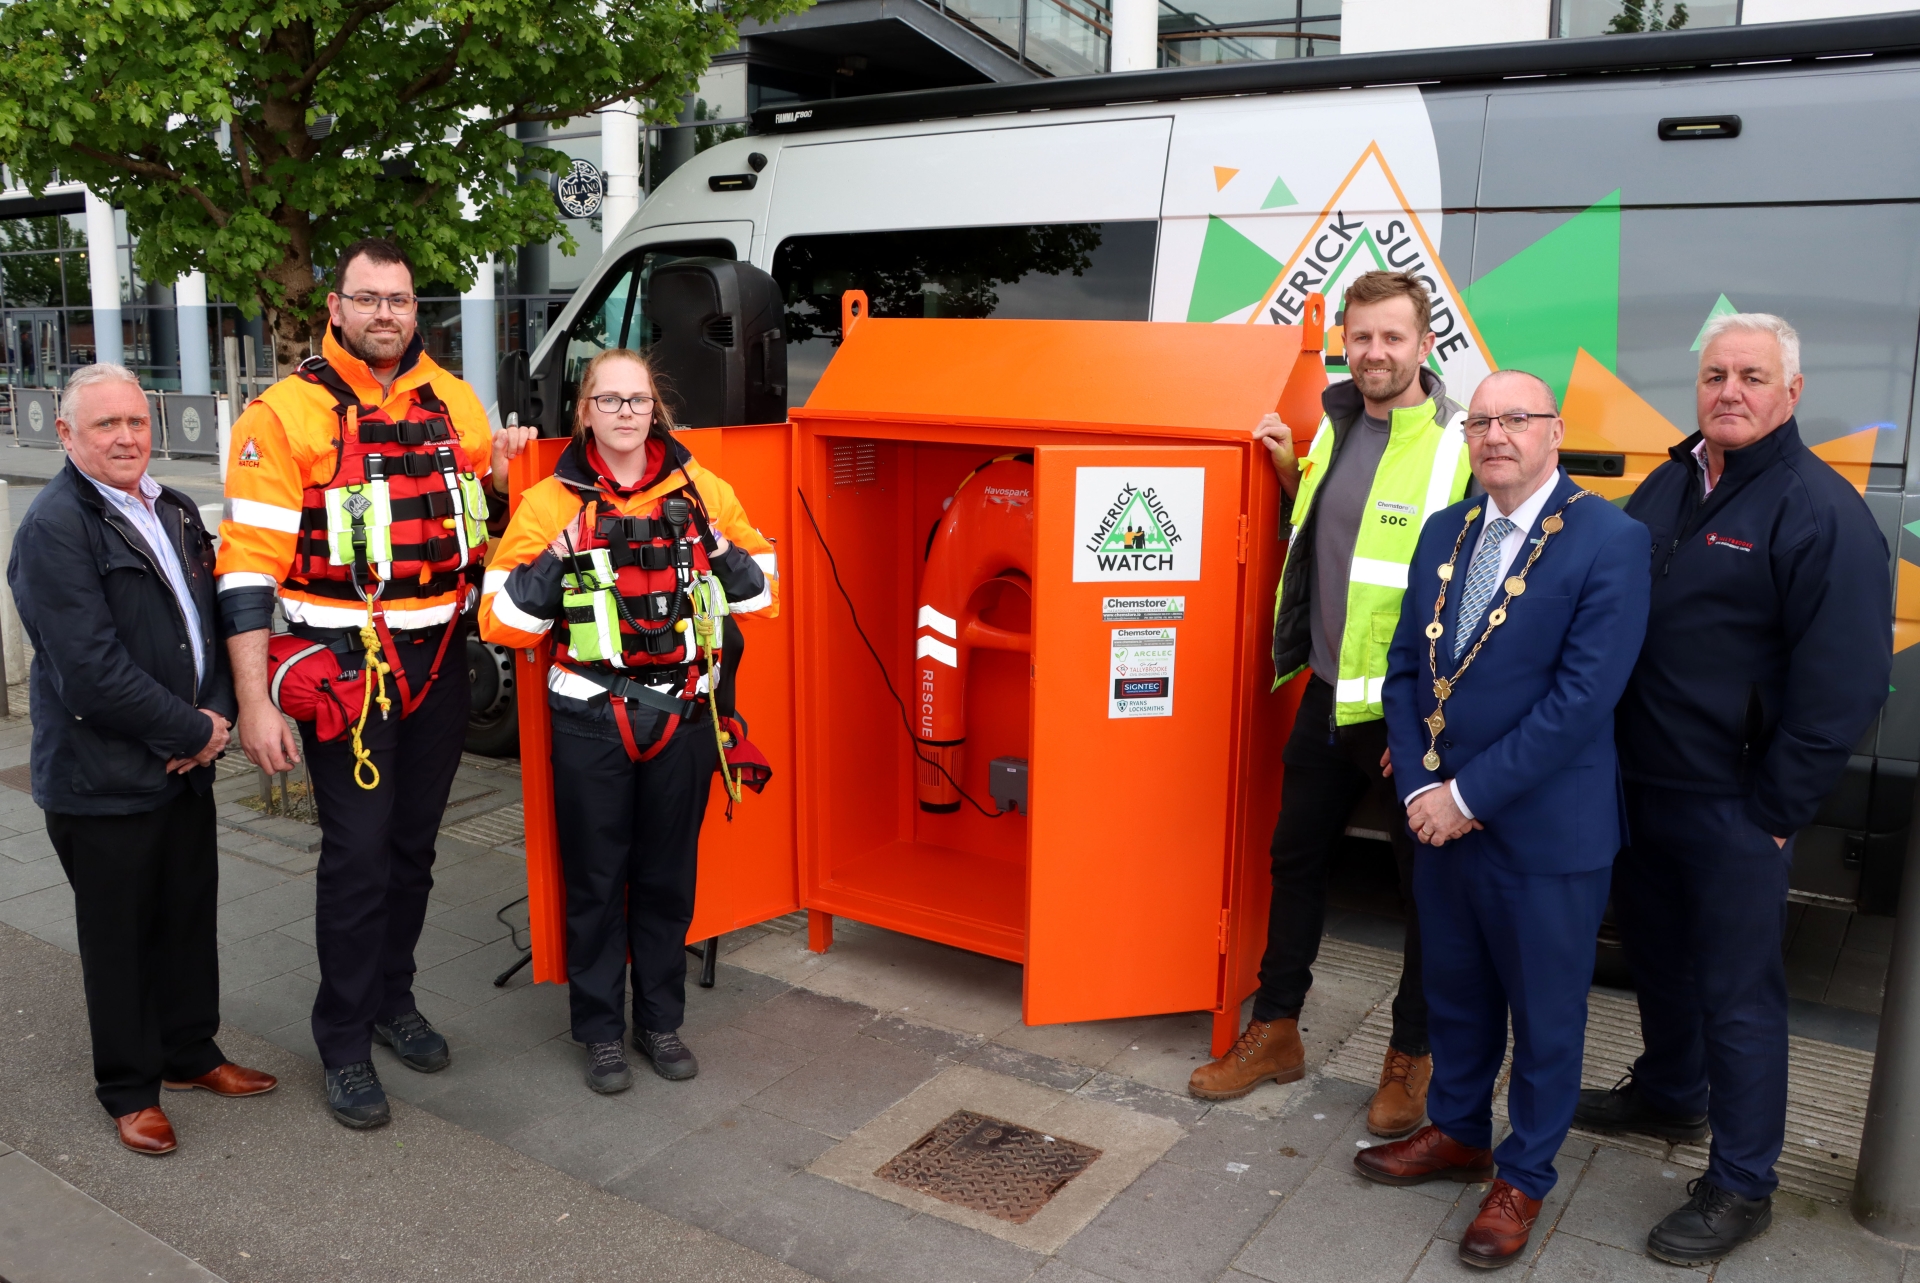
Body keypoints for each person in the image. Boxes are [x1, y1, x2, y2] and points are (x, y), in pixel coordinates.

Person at [1574, 314, 1892, 1265]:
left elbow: (1841, 688)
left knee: (1739, 993)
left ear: (1791, 393)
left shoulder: (1819, 511)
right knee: (1660, 959)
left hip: (1735, 804)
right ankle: (1671, 1090)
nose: (1730, 391)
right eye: (1716, 374)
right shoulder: (1670, 483)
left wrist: (1773, 813)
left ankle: (1744, 1181)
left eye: (1753, 375)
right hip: (1642, 783)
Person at [215, 239, 537, 1128]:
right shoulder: (284, 416)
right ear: (336, 308)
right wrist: (252, 700)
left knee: (413, 849)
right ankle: (346, 1039)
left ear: (414, 308)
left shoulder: (454, 400)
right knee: (357, 858)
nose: (385, 313)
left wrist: (514, 461)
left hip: (436, 658)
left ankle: (394, 998)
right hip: (345, 665)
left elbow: (501, 506)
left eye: (398, 299)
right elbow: (245, 569)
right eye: (368, 298)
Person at [1353, 370, 1649, 1268]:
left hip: (1543, 834)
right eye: (1480, 420)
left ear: (1554, 431)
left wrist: (1464, 797)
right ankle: (1457, 1133)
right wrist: (1417, 794)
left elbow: (1583, 698)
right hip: (1438, 822)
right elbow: (1404, 666)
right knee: (1458, 992)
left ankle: (1523, 1175)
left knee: (1547, 1015)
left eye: (1516, 419)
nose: (1495, 435)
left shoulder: (1609, 538)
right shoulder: (1448, 529)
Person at [1189, 270, 1471, 1139]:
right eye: (1362, 336)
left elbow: (1477, 594)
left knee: (1425, 890)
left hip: (1406, 715)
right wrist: (1284, 466)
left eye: (1393, 337)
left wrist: (1426, 716)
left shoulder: (1460, 444)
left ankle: (1411, 1055)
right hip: (1324, 695)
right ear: (1343, 342)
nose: (1376, 352)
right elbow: (1330, 530)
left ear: (1427, 345)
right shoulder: (1338, 422)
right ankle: (1276, 1030)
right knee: (1295, 860)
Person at [480, 348, 776, 1092]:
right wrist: (558, 556)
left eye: (636, 399)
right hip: (591, 716)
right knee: (595, 880)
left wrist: (712, 544)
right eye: (608, 400)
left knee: (668, 879)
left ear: (655, 407)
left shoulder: (701, 488)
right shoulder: (551, 500)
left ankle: (660, 1021)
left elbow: (764, 589)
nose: (623, 413)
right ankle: (601, 1033)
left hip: (682, 714)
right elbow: (500, 620)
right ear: (584, 411)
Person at [9, 364, 277, 1156]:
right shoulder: (54, 527)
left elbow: (214, 618)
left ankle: (191, 1054)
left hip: (184, 763)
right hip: (105, 777)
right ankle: (129, 1089)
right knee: (120, 937)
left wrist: (221, 713)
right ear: (66, 435)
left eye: (135, 421)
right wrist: (188, 731)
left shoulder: (175, 506)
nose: (126, 437)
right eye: (105, 425)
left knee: (187, 919)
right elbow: (88, 672)